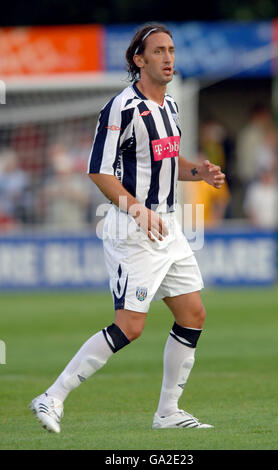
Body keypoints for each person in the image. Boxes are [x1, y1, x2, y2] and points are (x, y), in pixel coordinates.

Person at [30, 23, 225, 432]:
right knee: (130, 326)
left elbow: (168, 163)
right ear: (139, 59)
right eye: (158, 51)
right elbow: (97, 170)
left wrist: (198, 171)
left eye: (171, 50)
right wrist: (137, 210)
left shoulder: (170, 107)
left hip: (169, 226)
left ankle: (168, 413)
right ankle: (51, 397)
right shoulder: (122, 107)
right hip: (133, 229)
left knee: (193, 314)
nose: (168, 58)